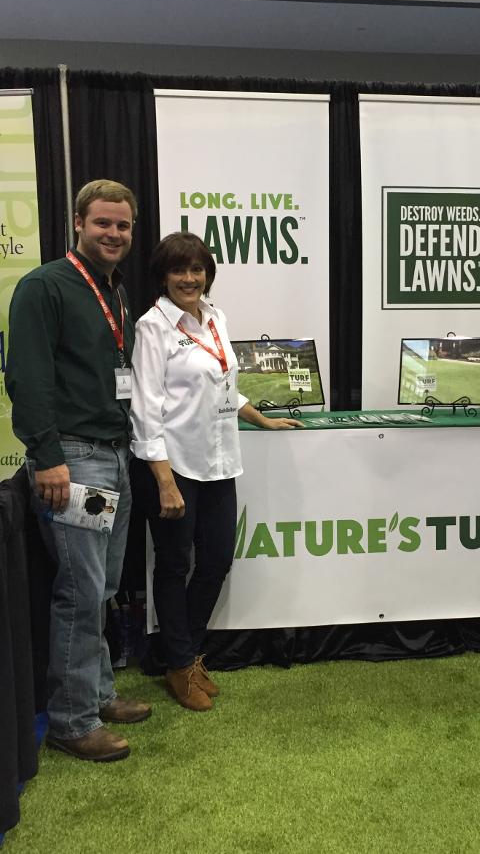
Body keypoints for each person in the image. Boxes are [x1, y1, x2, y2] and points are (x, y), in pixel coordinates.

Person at [6, 179, 151, 763]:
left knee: (105, 587)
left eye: (123, 225)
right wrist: (47, 457)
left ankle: (98, 693)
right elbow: (27, 377)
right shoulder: (45, 286)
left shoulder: (115, 291)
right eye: (102, 223)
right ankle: (72, 720)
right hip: (73, 458)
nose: (113, 234)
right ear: (78, 223)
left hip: (115, 453)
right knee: (81, 591)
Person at [130, 232, 303, 712]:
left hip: (220, 461)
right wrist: (164, 480)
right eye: (179, 270)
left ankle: (182, 656)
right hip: (175, 467)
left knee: (217, 561)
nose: (189, 278)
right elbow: (145, 409)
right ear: (163, 277)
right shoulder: (153, 327)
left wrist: (261, 419)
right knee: (173, 565)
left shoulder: (215, 317)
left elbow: (224, 386)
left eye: (197, 269)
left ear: (208, 274)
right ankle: (180, 663)